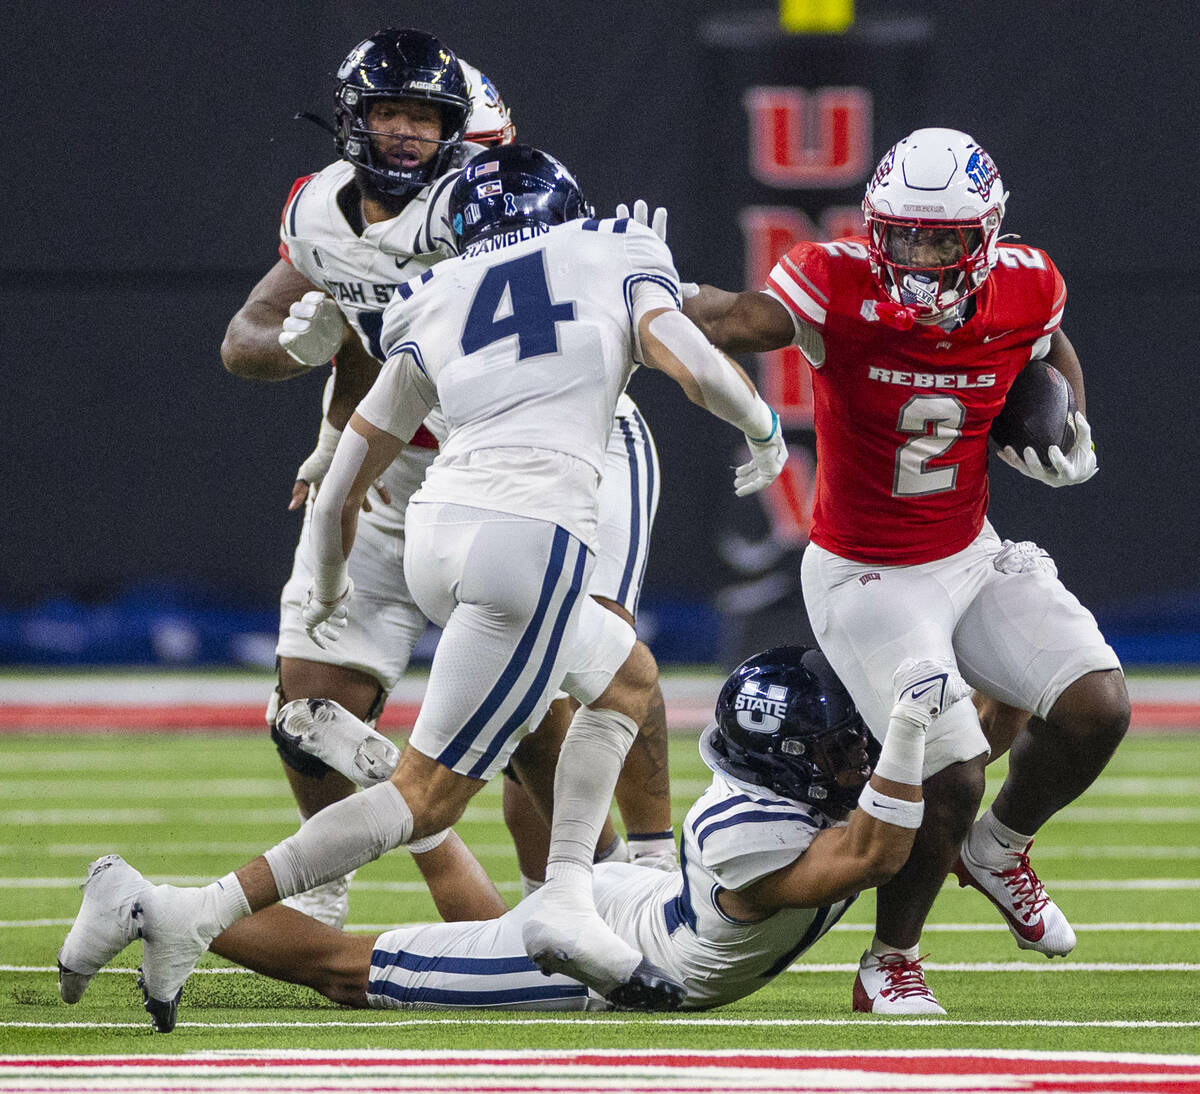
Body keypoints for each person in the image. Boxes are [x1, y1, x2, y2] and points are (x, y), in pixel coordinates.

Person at [57, 142, 789, 1029]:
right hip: (532, 531)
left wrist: (327, 588)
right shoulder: (611, 250)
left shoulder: (430, 294)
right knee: (425, 797)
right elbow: (696, 364)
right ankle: (190, 912)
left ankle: (565, 892)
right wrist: (761, 433)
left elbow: (341, 483)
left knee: (627, 677)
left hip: (439, 536)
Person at [218, 28, 675, 928]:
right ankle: (326, 882)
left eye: (440, 130)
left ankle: (610, 885)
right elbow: (276, 338)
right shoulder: (321, 213)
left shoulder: (497, 219)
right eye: (394, 117)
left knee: (554, 706)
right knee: (310, 700)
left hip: (533, 453)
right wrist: (314, 376)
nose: (430, 153)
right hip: (410, 461)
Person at [682, 128, 1129, 1014]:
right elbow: (738, 319)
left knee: (1097, 705)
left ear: (986, 237)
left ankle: (996, 850)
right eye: (905, 236)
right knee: (951, 767)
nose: (921, 258)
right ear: (876, 229)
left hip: (966, 552)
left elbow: (1046, 344)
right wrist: (648, 290)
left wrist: (1071, 418)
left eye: (942, 240)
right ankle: (890, 960)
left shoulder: (1027, 282)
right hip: (865, 572)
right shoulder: (837, 281)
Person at [62, 647, 963, 1019]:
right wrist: (920, 736)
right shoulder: (750, 834)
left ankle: (390, 780)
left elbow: (902, 810)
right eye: (847, 751)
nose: (864, 761)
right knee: (344, 968)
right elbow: (874, 850)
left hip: (636, 901)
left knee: (485, 924)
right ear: (796, 763)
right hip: (633, 954)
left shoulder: (777, 796)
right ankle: (149, 904)